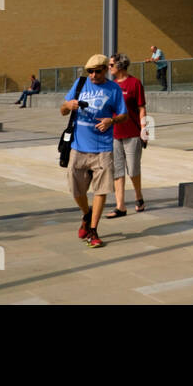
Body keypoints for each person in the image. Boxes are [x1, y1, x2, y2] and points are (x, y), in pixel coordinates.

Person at [60, 54, 127, 249]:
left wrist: (111, 120)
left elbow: (124, 115)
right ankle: (86, 214)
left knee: (101, 190)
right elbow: (62, 110)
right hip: (78, 147)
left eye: (97, 71)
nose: (93, 75)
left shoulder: (113, 89)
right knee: (75, 188)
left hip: (103, 148)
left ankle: (93, 229)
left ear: (106, 70)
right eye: (90, 71)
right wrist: (68, 105)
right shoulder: (80, 84)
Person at [106, 54, 147, 218]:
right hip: (115, 133)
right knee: (117, 170)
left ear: (120, 66)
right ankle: (120, 206)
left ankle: (139, 197)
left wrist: (144, 129)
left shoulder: (135, 83)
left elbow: (142, 108)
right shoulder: (111, 86)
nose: (109, 68)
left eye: (111, 65)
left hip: (132, 133)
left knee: (133, 169)